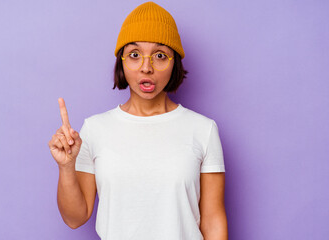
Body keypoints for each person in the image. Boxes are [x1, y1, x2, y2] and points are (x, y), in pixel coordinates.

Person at [48, 1, 228, 240]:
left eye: (160, 55)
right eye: (134, 55)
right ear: (121, 61)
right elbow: (75, 218)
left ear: (174, 63)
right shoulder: (94, 129)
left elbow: (213, 219)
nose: (146, 67)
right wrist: (66, 167)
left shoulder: (203, 130)